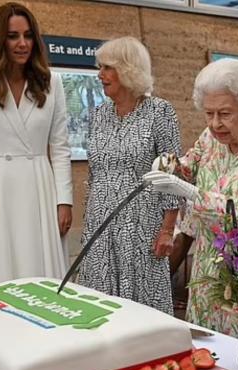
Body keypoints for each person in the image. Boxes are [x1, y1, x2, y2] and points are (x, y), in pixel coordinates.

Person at [145, 58, 238, 335]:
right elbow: (188, 167)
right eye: (209, 113)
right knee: (208, 348)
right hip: (209, 264)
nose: (215, 124)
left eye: (225, 114)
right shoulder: (210, 137)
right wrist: (167, 165)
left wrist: (189, 192)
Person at [0, 2, 72, 287]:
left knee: (41, 267)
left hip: (40, 185)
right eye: (13, 36)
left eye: (28, 35)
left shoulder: (51, 82)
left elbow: (60, 148)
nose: (23, 43)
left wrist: (64, 201)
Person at [76, 37, 182, 315]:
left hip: (142, 225)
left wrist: (168, 229)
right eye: (100, 68)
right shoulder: (99, 114)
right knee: (99, 305)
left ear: (128, 69)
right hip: (100, 223)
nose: (100, 75)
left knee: (141, 308)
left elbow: (171, 172)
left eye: (107, 68)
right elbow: (94, 171)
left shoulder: (160, 112)